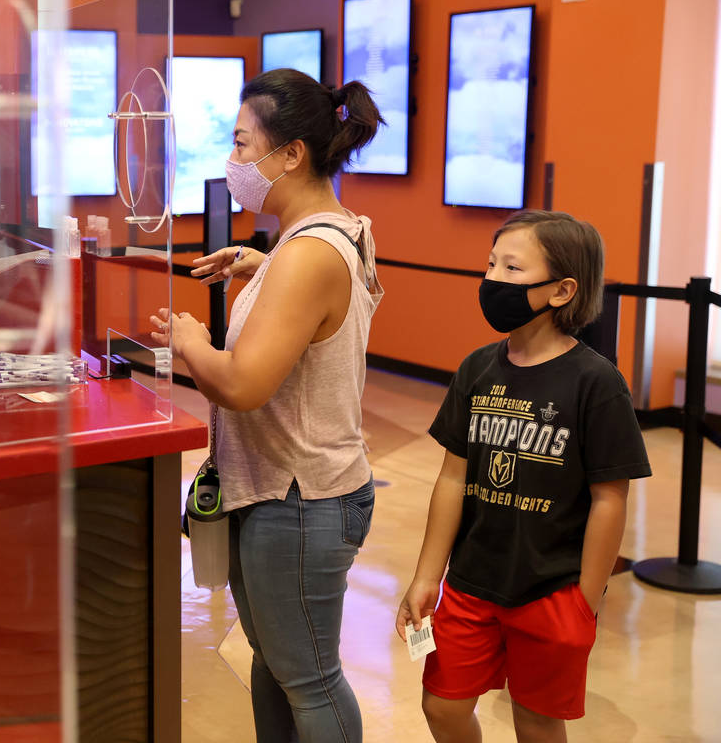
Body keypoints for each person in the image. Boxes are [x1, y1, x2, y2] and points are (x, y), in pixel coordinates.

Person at [151, 67, 385, 742]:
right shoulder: (320, 235)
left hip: (302, 497)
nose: (234, 163)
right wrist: (263, 263)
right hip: (280, 489)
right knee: (280, 665)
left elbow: (243, 384)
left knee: (309, 678)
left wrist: (193, 342)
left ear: (292, 155)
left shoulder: (308, 254)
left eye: (242, 144)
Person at [395, 211, 651, 742]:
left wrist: (587, 600)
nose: (492, 280)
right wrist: (426, 576)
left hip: (552, 591)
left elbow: (610, 498)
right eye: (490, 265)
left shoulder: (597, 383)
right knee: (442, 705)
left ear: (561, 291)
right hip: (470, 584)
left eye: (512, 268)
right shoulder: (476, 369)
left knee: (535, 719)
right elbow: (451, 480)